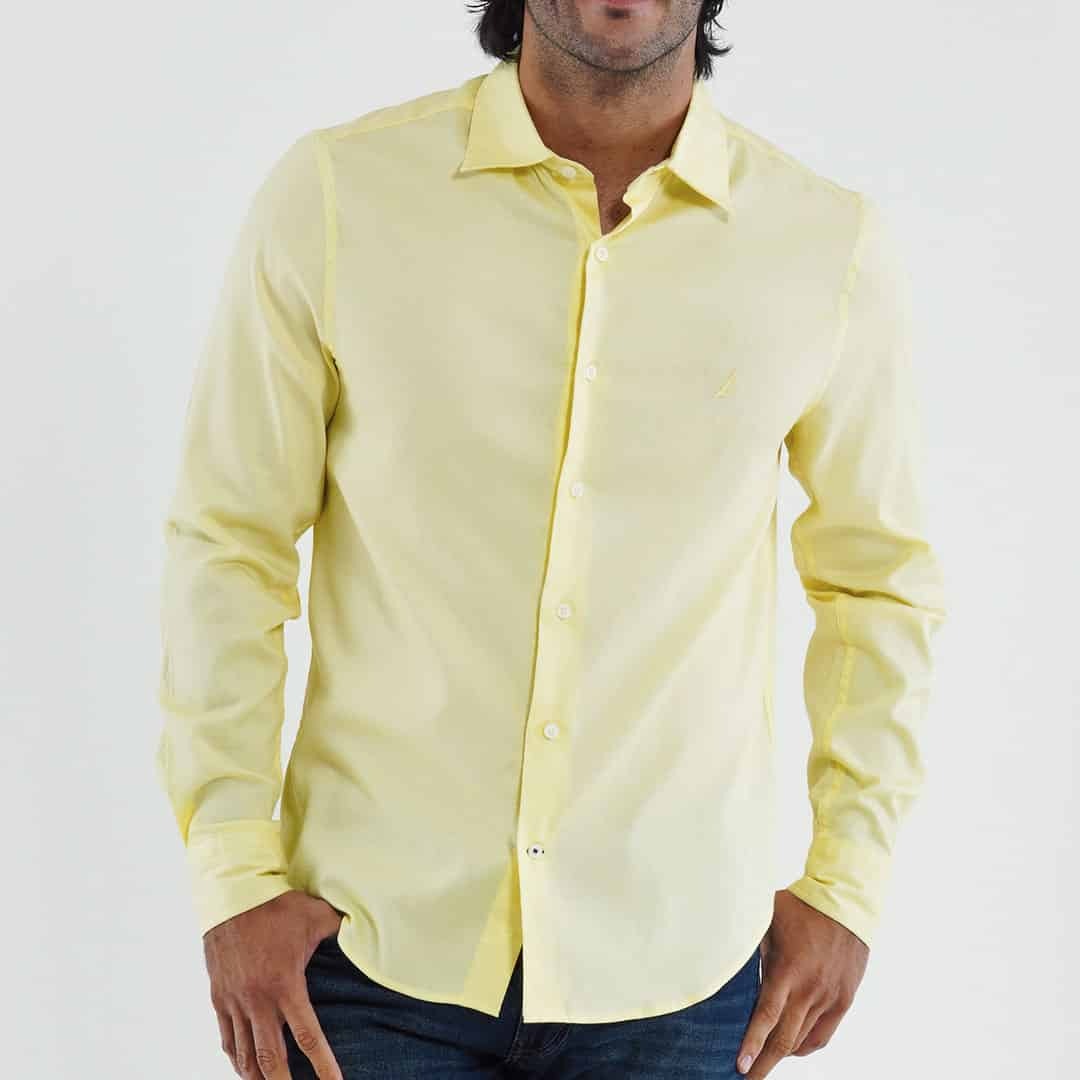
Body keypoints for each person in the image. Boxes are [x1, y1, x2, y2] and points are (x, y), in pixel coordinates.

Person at [154, 2, 947, 1077]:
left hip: (681, 969)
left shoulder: (823, 243)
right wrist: (234, 877)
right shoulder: (340, 194)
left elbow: (878, 584)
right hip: (366, 956)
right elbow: (229, 541)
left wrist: (847, 885)